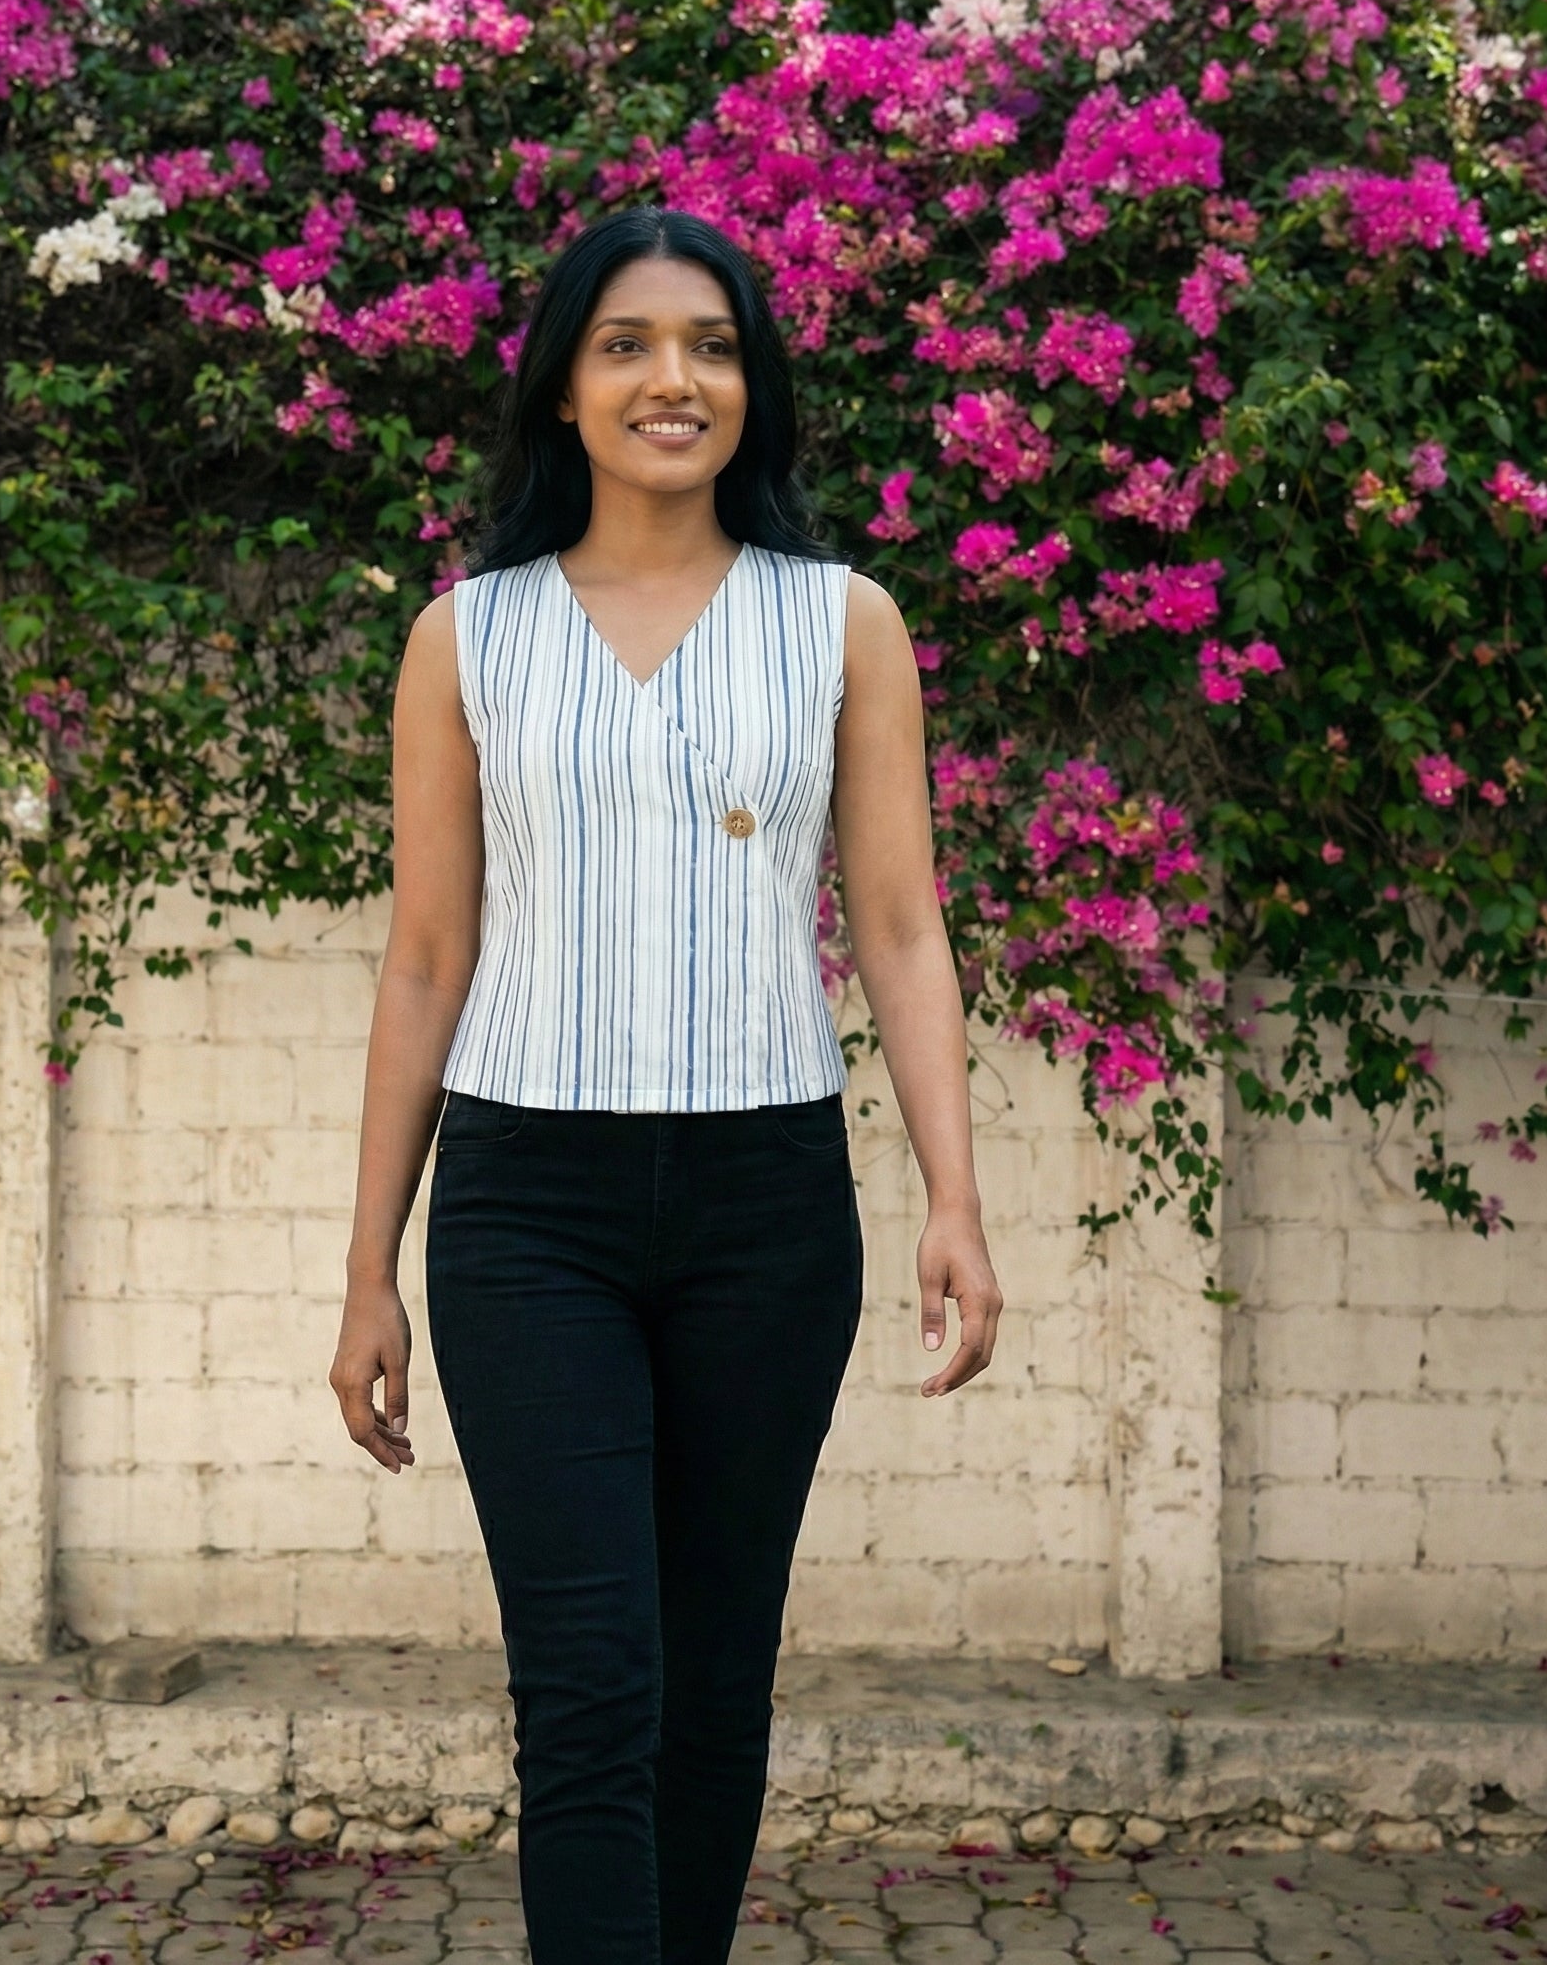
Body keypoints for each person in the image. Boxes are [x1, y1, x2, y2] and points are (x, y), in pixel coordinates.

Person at [332, 204, 1004, 1964]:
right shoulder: (465, 639)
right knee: (589, 1695)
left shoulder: (842, 623)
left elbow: (904, 926)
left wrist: (955, 1202)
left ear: (752, 387)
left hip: (766, 1210)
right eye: (626, 343)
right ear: (561, 389)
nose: (671, 378)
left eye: (708, 344)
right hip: (524, 1211)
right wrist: (365, 1274)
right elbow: (422, 960)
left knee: (713, 1690)